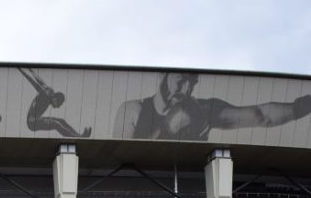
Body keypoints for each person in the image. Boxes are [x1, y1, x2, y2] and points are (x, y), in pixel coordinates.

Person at [114, 71, 311, 141]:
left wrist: (303, 105)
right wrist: (164, 131)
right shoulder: (134, 111)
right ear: (161, 77)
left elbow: (261, 115)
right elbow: (121, 161)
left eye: (193, 83)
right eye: (181, 79)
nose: (187, 89)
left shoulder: (205, 110)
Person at [19, 68, 91, 138]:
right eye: (58, 104)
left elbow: (39, 80)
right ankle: (77, 137)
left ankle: (78, 135)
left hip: (38, 119)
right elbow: (33, 82)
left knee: (62, 121)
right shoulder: (45, 94)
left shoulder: (50, 91)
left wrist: (31, 70)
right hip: (32, 122)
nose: (58, 107)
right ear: (55, 99)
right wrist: (23, 71)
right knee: (56, 124)